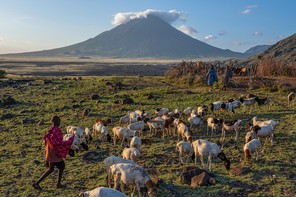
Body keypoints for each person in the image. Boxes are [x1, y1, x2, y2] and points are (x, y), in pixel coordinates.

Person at [32, 115, 74, 190]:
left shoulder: (51, 130)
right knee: (62, 166)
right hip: (54, 153)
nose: (60, 122)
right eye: (59, 121)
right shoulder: (56, 130)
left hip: (49, 152)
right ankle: (58, 184)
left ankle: (37, 183)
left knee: (51, 169)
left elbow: (50, 141)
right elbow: (58, 142)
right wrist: (70, 140)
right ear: (57, 122)